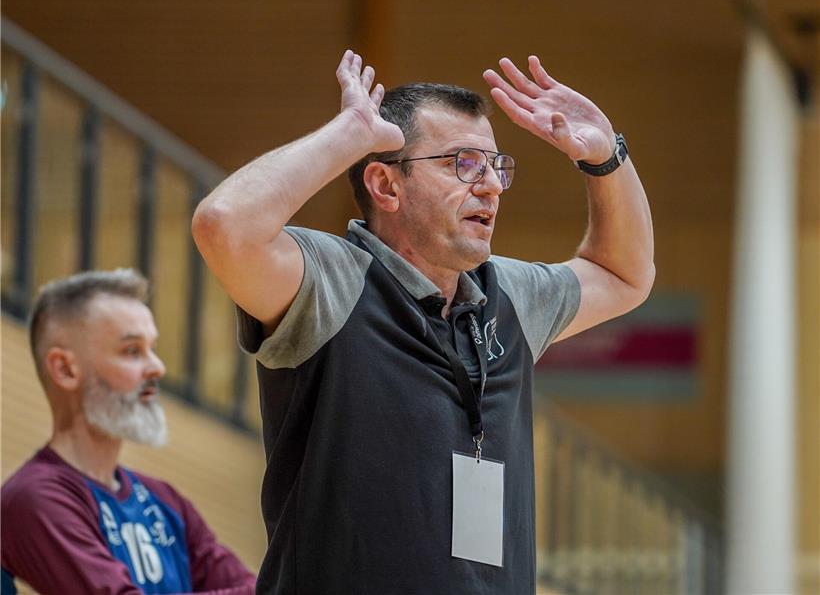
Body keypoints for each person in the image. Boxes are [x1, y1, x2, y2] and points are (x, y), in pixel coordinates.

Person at [192, 50, 654, 594]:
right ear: (386, 186)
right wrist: (350, 133)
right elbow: (224, 226)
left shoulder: (508, 296)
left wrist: (607, 159)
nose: (491, 186)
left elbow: (625, 274)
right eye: (463, 163)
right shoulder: (331, 279)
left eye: (497, 167)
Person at [1, 269, 257, 595]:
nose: (157, 367)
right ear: (65, 369)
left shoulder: (165, 500)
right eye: (132, 351)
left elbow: (253, 586)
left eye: (153, 348)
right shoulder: (34, 499)